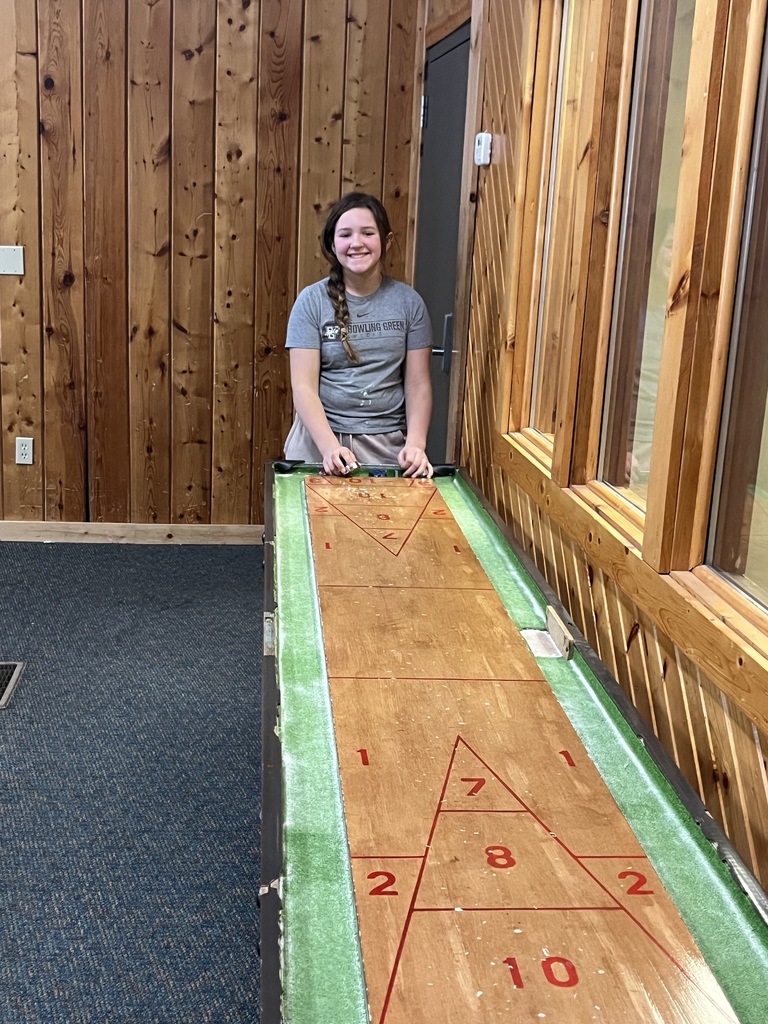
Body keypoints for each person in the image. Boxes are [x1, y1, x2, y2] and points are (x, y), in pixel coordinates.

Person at [284, 192, 434, 477]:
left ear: (386, 241)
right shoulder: (310, 302)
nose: (356, 243)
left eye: (368, 233)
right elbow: (303, 387)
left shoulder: (410, 303)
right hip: (319, 442)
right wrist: (329, 448)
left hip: (387, 447)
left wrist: (415, 444)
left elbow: (418, 385)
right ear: (332, 243)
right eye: (345, 235)